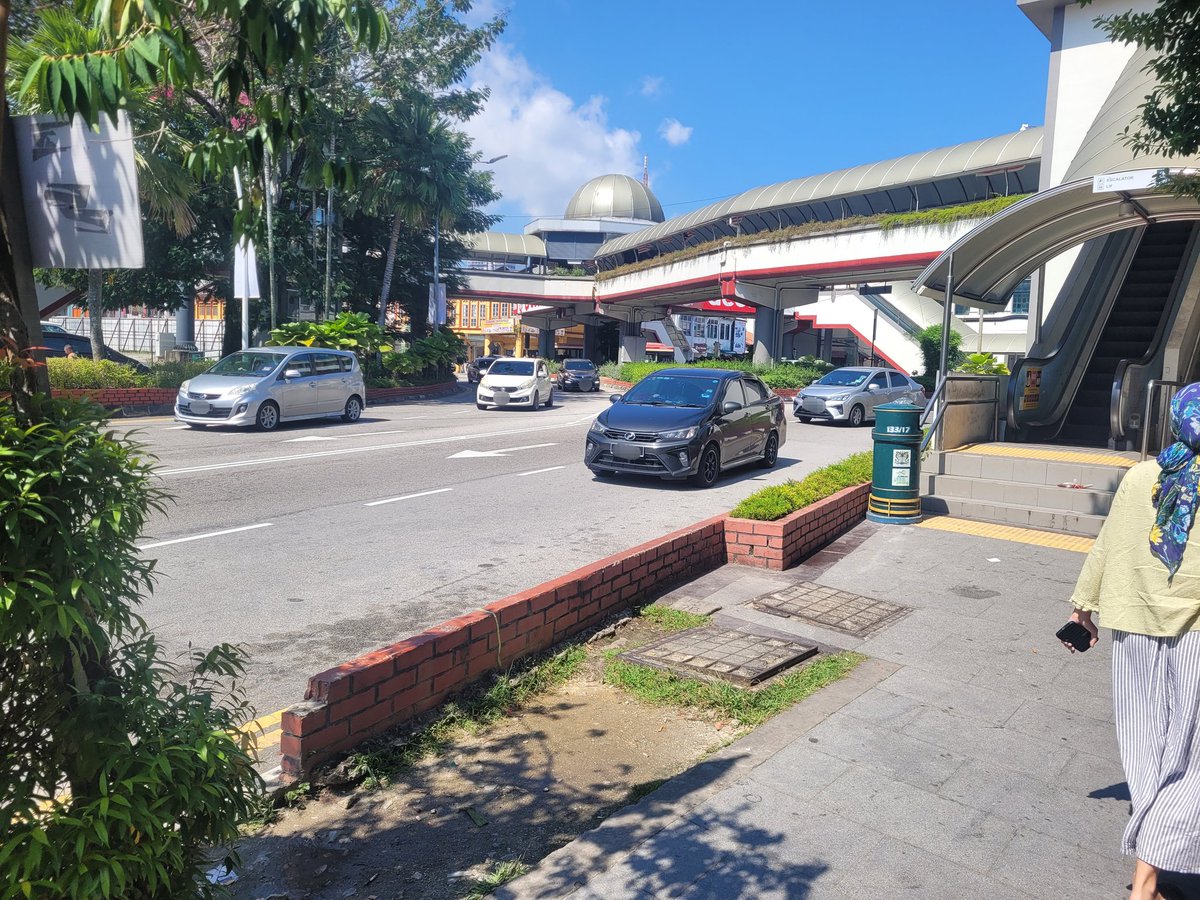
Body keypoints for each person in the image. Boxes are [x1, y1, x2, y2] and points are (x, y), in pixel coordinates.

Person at [1066, 382, 1200, 900]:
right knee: (1188, 755)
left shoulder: (1144, 475)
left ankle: (1152, 867)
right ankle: (1147, 880)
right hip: (1193, 632)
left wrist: (1084, 607)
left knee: (1146, 743)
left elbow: (1109, 543)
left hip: (1133, 623)